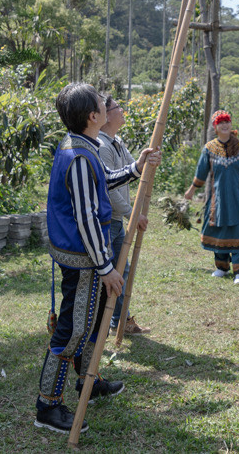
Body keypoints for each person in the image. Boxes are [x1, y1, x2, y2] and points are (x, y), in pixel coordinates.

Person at [34, 82, 160, 434]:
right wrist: (105, 268)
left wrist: (136, 167)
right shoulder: (78, 156)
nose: (109, 107)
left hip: (85, 256)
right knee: (72, 330)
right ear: (93, 116)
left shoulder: (83, 146)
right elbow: (87, 218)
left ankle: (87, 382)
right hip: (83, 259)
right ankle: (48, 406)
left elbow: (103, 180)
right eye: (103, 105)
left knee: (88, 324)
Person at [183, 110, 239, 285]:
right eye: (221, 123)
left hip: (237, 199)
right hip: (217, 201)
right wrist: (191, 191)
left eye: (227, 122)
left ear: (231, 125)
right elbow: (201, 172)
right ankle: (222, 267)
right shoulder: (209, 148)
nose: (225, 125)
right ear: (215, 127)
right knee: (218, 230)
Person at [98, 94, 151, 335]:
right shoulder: (101, 146)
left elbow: (134, 169)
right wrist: (132, 213)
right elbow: (109, 190)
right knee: (108, 273)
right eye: (118, 107)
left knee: (121, 271)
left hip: (117, 221)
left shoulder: (117, 141)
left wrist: (149, 161)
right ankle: (106, 321)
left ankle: (120, 319)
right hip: (107, 221)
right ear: (106, 114)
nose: (122, 111)